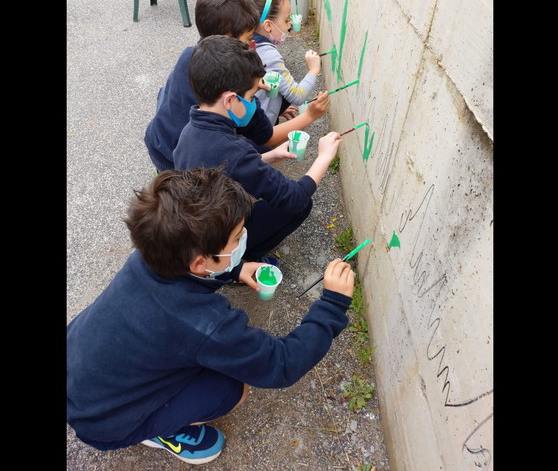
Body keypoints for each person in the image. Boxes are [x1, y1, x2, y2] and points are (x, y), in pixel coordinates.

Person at [66, 166, 356, 464]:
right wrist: (332, 305)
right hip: (104, 424)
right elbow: (281, 364)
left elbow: (192, 276)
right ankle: (156, 431)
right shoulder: (204, 323)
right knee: (231, 389)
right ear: (199, 263)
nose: (244, 238)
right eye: (237, 237)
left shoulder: (148, 254)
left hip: (77, 373)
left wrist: (235, 268)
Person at [173, 34, 343, 263]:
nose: (254, 103)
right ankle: (241, 257)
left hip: (197, 224)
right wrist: (324, 156)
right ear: (230, 100)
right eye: (252, 96)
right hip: (217, 238)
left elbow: (223, 167)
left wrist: (266, 157)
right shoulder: (235, 152)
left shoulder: (189, 131)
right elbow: (293, 197)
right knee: (302, 205)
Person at [143, 0, 332, 173]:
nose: (252, 44)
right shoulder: (230, 77)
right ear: (227, 38)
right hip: (183, 164)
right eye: (248, 38)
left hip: (158, 141)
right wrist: (310, 115)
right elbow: (266, 137)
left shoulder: (190, 55)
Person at [248, 0, 322, 125]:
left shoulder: (250, 44)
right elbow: (297, 96)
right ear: (268, 26)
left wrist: (277, 108)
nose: (289, 25)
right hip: (260, 128)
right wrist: (313, 70)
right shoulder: (269, 55)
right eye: (286, 20)